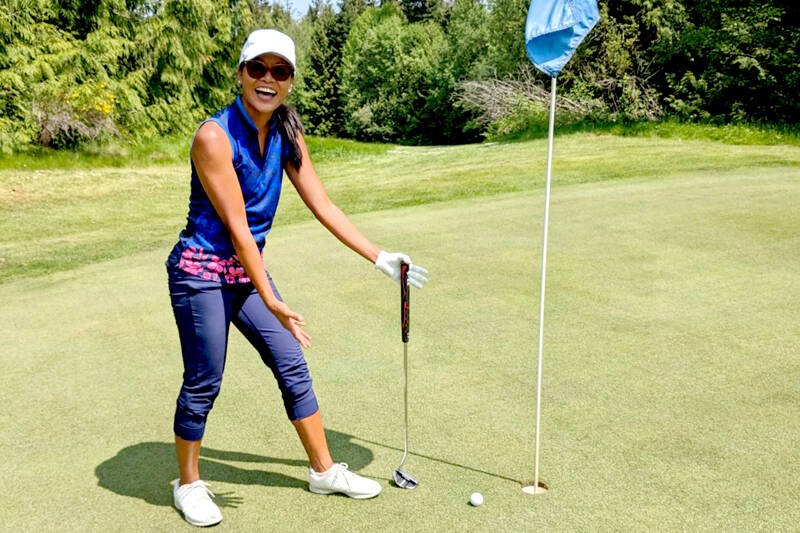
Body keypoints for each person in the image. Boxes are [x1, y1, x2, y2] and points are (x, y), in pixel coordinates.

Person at [164, 29, 429, 527]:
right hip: (200, 274)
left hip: (247, 275)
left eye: (279, 71)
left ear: (289, 82)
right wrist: (272, 298)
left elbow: (323, 204)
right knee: (205, 379)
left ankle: (323, 471)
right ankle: (188, 483)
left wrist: (380, 257)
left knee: (291, 364)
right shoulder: (213, 136)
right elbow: (239, 231)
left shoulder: (287, 132)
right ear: (241, 74)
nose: (268, 79)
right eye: (258, 69)